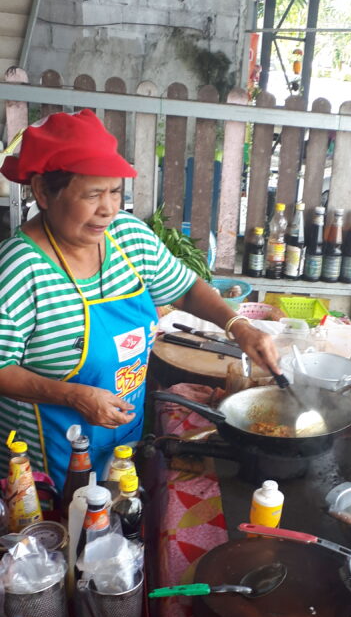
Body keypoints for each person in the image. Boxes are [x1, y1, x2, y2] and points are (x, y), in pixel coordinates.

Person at [0, 109, 279, 490]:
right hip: (42, 474)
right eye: (93, 194)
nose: (108, 208)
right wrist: (72, 396)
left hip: (121, 449)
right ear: (43, 192)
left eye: (115, 191)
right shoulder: (18, 270)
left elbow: (185, 288)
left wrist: (238, 326)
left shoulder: (129, 238)